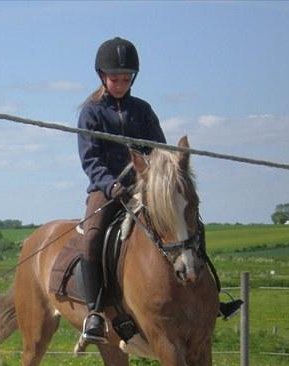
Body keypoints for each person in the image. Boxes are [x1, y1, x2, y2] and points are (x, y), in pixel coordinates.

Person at [77, 37, 242, 344]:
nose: (121, 84)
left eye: (126, 79)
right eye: (115, 79)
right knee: (91, 238)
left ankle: (211, 296)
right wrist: (111, 184)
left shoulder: (143, 110)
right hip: (108, 189)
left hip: (148, 187)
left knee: (188, 222)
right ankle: (95, 312)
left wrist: (157, 180)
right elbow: (90, 159)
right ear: (102, 76)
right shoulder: (91, 113)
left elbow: (160, 152)